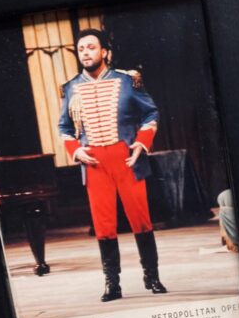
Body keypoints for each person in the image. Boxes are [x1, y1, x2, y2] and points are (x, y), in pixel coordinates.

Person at [58, 29, 167, 302]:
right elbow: (64, 127)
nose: (86, 53)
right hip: (94, 163)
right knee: (103, 225)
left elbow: (151, 113)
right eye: (81, 48)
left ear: (105, 52)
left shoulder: (128, 81)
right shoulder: (71, 87)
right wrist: (76, 150)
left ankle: (152, 277)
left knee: (141, 220)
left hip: (126, 158)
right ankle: (112, 284)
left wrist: (142, 143)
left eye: (91, 48)